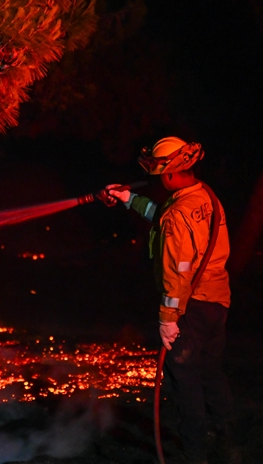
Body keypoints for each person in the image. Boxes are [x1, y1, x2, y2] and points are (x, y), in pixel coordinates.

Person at [103, 137, 234, 464]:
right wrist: (128, 199)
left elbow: (176, 272)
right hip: (217, 301)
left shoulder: (176, 215)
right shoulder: (204, 195)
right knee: (211, 374)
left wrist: (168, 319)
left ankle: (195, 455)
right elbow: (163, 213)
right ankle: (229, 446)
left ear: (171, 174)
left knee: (185, 384)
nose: (159, 178)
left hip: (190, 307)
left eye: (160, 172)